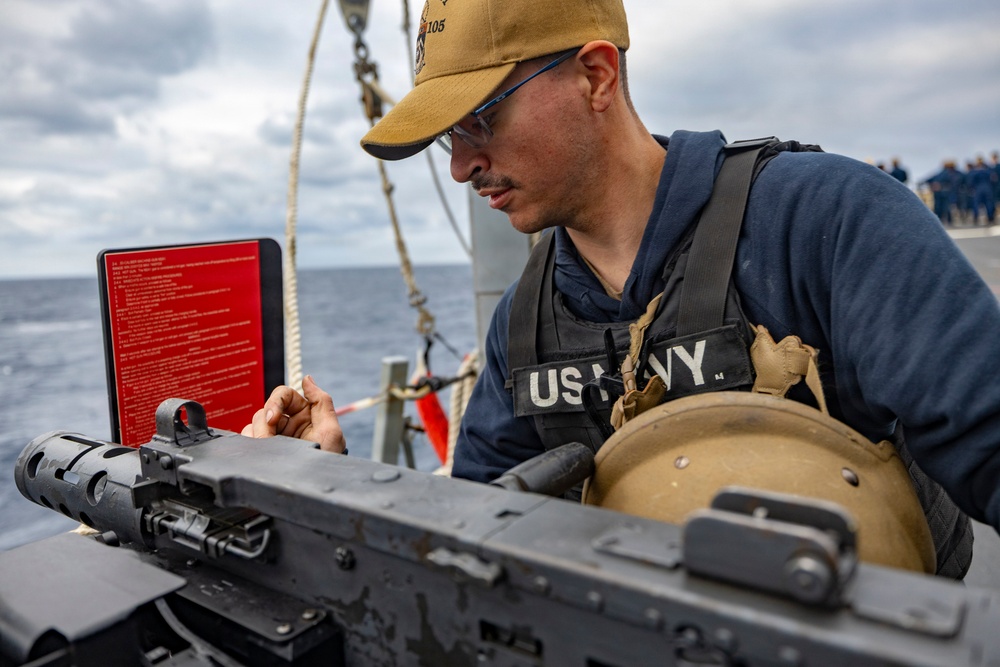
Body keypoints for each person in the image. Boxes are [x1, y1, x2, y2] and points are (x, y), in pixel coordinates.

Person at [243, 0, 1000, 578]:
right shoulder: (523, 325)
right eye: (450, 136)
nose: (460, 166)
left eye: (480, 120)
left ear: (596, 76)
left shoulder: (823, 222)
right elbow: (470, 546)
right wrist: (325, 484)